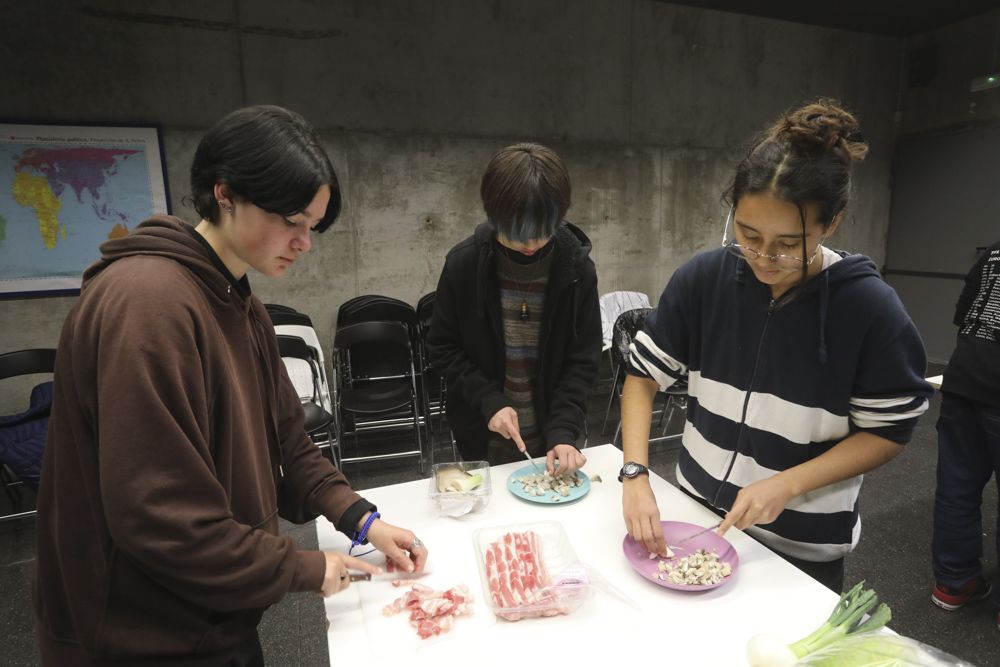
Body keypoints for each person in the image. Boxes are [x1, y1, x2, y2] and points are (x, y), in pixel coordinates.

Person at [33, 105, 427, 665]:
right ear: (225, 194)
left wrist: (363, 519)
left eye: (310, 227)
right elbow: (158, 514)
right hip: (137, 630)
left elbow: (290, 442)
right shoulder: (148, 304)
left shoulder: (241, 303)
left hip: (212, 606)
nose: (303, 243)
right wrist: (305, 567)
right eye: (291, 220)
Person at [619, 99, 933, 592]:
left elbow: (889, 431)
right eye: (748, 234)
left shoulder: (870, 309)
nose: (764, 257)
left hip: (800, 549)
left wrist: (788, 484)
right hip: (694, 517)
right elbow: (641, 380)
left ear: (832, 222)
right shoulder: (703, 281)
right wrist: (635, 474)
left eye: (788, 243)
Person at [426, 142, 601, 476]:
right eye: (517, 233)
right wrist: (489, 400)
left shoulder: (578, 271)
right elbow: (442, 347)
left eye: (542, 232)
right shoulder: (464, 265)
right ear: (494, 214)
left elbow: (582, 361)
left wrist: (564, 430)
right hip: (482, 438)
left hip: (553, 445)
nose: (530, 244)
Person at [930, 240, 1000, 622]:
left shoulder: (993, 252)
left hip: (965, 378)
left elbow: (963, 313)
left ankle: (955, 583)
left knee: (957, 487)